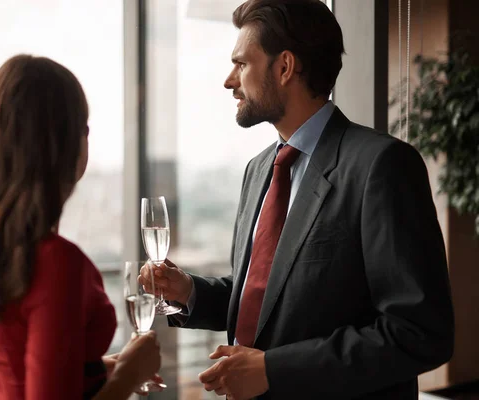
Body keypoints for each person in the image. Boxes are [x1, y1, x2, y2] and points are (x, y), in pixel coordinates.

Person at [140, 0, 454, 398]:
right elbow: (270, 301)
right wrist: (188, 291)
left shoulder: (382, 165)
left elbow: (420, 333)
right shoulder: (259, 170)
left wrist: (273, 369)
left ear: (285, 67)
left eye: (241, 64)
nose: (229, 80)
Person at [0, 54, 161, 400]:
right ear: (64, 143)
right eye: (84, 129)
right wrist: (130, 375)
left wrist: (89, 371)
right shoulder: (58, 262)